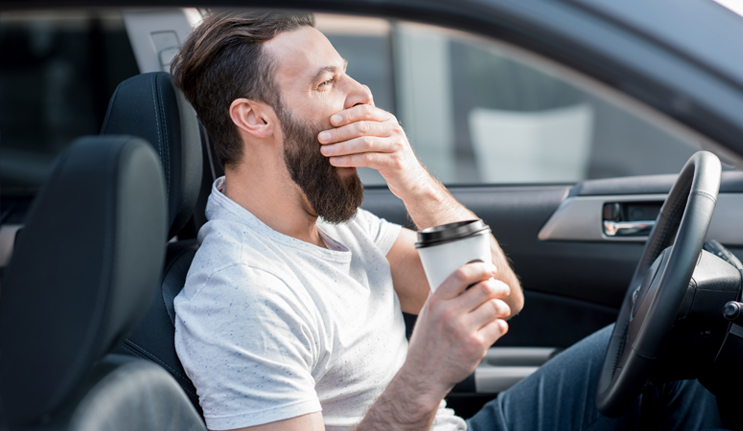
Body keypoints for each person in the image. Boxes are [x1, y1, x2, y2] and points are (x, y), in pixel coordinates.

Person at [171, 11, 723, 431]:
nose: (361, 96)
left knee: (669, 358)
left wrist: (409, 177)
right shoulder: (239, 294)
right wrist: (423, 378)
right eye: (325, 83)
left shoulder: (330, 219)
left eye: (347, 76)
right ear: (254, 117)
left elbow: (499, 295)